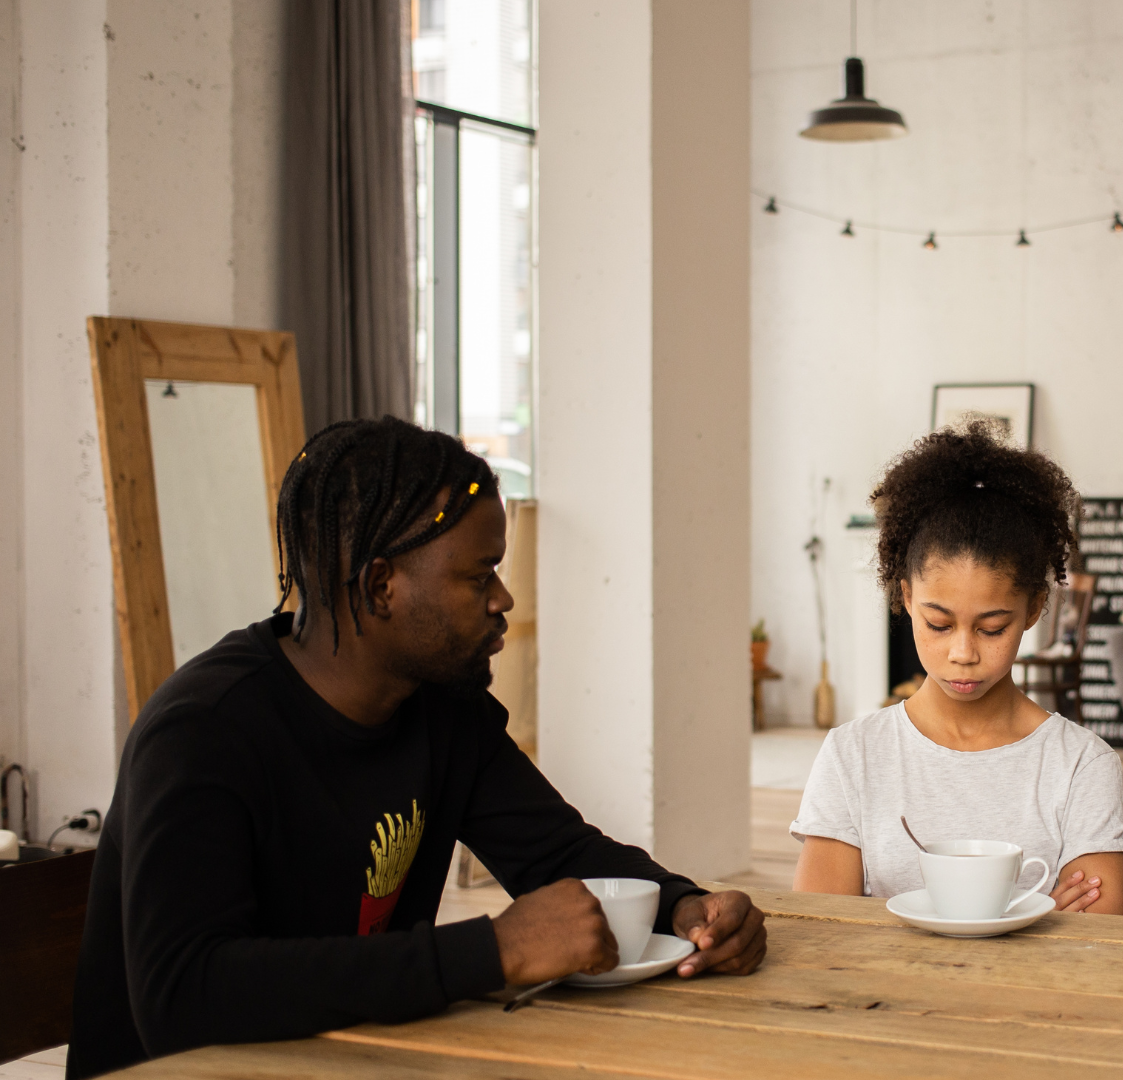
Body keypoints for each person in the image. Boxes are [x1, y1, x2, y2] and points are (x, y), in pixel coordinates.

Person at [69, 418, 767, 1078]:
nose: (503, 599)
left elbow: (557, 853)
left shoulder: (441, 711)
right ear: (381, 587)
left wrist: (685, 907)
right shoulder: (204, 732)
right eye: (478, 575)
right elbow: (182, 997)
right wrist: (488, 951)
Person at [792, 422, 1123, 914]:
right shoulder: (853, 756)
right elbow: (822, 929)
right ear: (906, 597)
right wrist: (1033, 916)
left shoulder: (1081, 765)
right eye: (938, 623)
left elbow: (1100, 942)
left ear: (1035, 607)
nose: (963, 653)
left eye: (992, 628)